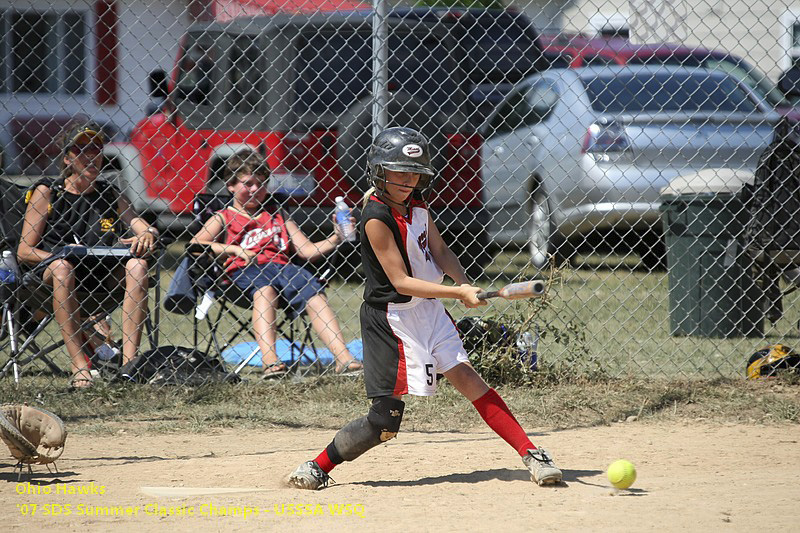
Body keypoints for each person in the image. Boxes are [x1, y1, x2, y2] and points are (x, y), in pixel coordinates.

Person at [286, 127, 562, 490]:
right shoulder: (375, 218)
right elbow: (400, 281)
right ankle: (319, 465)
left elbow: (441, 251)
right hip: (392, 320)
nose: (408, 180)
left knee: (469, 379)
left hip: (428, 312)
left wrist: (465, 284)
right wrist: (455, 293)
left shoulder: (418, 206)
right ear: (379, 172)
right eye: (398, 172)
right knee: (384, 422)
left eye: (414, 173)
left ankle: (532, 454)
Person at [190, 151, 363, 378]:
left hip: (284, 270)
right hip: (244, 272)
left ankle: (343, 359)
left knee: (314, 291)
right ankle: (270, 360)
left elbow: (307, 251)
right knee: (265, 290)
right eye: (247, 183)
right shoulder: (222, 217)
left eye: (261, 184)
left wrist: (336, 238)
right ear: (230, 185)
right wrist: (234, 249)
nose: (255, 190)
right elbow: (195, 245)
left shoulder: (277, 215)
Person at [17, 123, 159, 389]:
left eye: (96, 149)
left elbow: (137, 223)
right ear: (68, 158)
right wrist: (63, 255)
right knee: (62, 267)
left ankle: (130, 366)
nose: (92, 156)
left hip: (100, 276)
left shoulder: (109, 193)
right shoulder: (48, 191)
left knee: (138, 265)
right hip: (53, 276)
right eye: (82, 149)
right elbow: (25, 251)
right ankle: (79, 366)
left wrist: (146, 233)